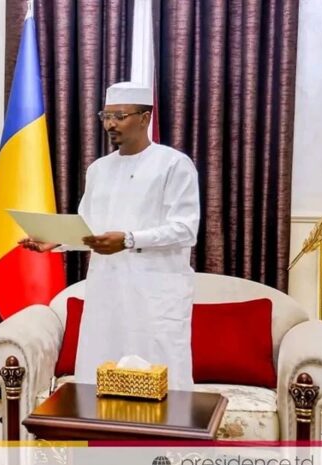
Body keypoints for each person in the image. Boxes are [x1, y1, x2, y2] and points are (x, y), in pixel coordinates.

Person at [20, 82, 200, 389]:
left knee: (162, 376)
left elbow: (185, 229)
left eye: (120, 116)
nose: (110, 124)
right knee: (99, 372)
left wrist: (128, 240)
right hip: (107, 290)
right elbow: (89, 227)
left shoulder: (174, 164)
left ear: (145, 118)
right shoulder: (99, 169)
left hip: (154, 293)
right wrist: (57, 242)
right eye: (106, 116)